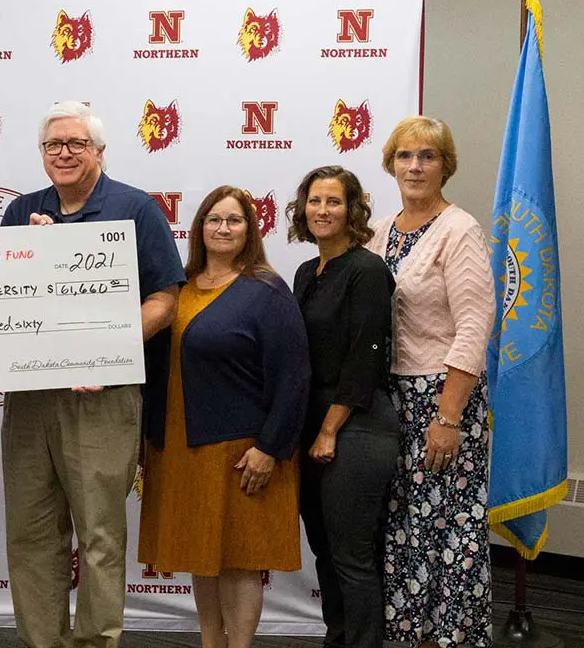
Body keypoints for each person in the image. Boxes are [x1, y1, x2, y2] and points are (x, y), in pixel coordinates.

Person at [0, 101, 184, 648]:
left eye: (77, 143)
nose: (64, 153)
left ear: (99, 150)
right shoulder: (21, 212)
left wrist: (108, 349)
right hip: (31, 397)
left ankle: (97, 643)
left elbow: (165, 301)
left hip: (103, 397)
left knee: (99, 533)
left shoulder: (136, 208)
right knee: (31, 533)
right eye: (53, 144)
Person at [137, 186, 310, 648]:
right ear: (199, 228)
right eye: (214, 219)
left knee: (238, 562)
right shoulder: (177, 289)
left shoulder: (267, 291)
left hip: (240, 453)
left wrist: (270, 448)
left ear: (250, 230)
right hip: (180, 449)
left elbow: (294, 377)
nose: (223, 228)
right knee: (201, 558)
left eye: (234, 220)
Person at [370, 117, 496, 648]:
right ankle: (411, 635)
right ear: (390, 164)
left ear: (446, 166)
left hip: (443, 398)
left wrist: (448, 416)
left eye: (428, 156)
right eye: (405, 156)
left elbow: (475, 324)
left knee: (450, 529)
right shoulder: (381, 231)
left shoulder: (459, 229)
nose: (415, 166)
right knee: (405, 525)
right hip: (392, 397)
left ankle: (450, 638)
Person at [287, 166, 398, 648]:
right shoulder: (305, 272)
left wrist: (330, 430)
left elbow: (365, 357)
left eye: (333, 201)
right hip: (312, 425)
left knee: (353, 557)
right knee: (325, 551)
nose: (322, 210)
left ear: (353, 210)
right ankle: (338, 638)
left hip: (356, 426)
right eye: (314, 201)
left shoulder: (367, 270)